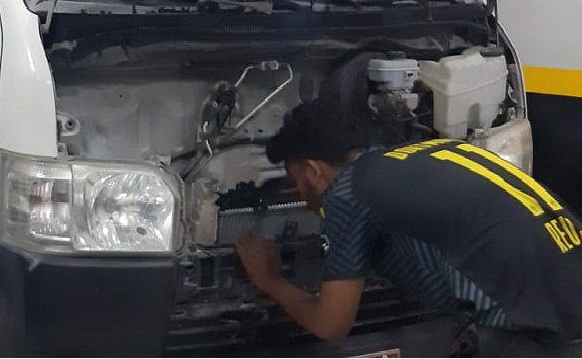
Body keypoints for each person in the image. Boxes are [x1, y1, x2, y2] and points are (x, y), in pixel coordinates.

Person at [236, 99, 582, 356]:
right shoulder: (437, 149)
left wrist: (271, 281)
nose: (301, 196)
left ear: (314, 171)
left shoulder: (348, 193)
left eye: (296, 183)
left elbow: (331, 325)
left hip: (533, 326)